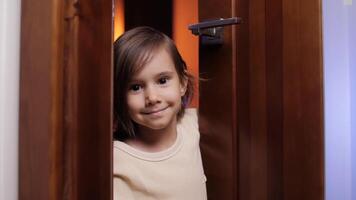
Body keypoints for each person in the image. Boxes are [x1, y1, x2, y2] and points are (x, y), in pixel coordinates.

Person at [113, 26, 207, 200]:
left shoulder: (194, 124)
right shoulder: (117, 160)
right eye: (136, 87)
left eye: (162, 80)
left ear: (182, 83)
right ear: (119, 96)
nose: (152, 98)